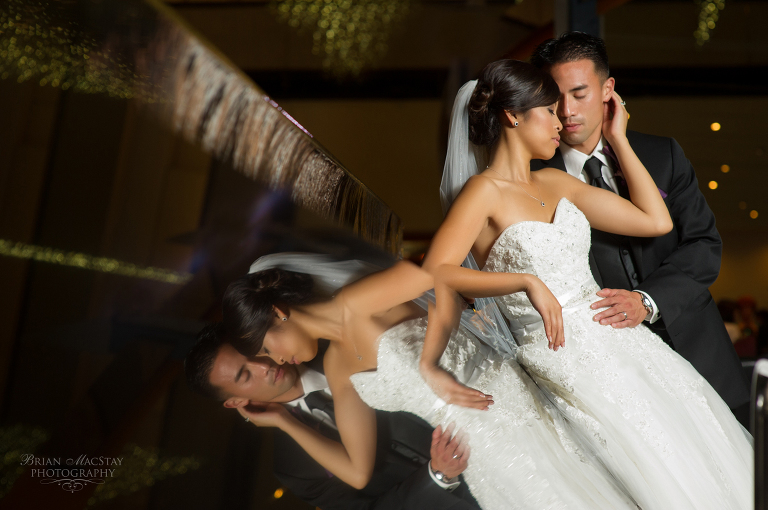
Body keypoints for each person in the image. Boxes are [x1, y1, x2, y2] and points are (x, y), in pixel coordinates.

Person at [419, 59, 752, 510]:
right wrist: (525, 280)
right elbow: (437, 271)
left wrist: (618, 140)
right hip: (557, 359)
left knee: (685, 462)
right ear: (513, 115)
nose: (562, 123)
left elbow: (654, 220)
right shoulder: (483, 192)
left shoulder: (555, 181)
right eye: (549, 111)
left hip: (626, 347)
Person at [221, 259, 638, 510]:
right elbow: (358, 470)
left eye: (266, 347)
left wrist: (428, 362)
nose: (277, 361)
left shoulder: (357, 300)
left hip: (507, 412)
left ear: (278, 313)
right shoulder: (336, 367)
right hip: (484, 468)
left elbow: (443, 280)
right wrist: (281, 420)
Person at [528, 31, 749, 424]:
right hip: (615, 378)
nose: (567, 111)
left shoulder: (661, 154)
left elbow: (703, 246)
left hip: (700, 356)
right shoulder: (534, 178)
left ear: (608, 89)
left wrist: (646, 300)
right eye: (555, 97)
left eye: (579, 94)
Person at [184, 323, 481, 510]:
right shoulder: (293, 468)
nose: (264, 366)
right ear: (235, 401)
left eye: (252, 352)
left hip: (482, 420)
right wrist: (438, 477)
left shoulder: (336, 347)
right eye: (245, 374)